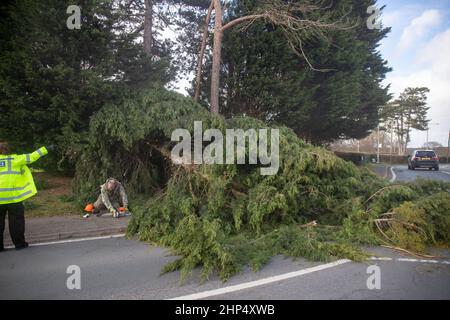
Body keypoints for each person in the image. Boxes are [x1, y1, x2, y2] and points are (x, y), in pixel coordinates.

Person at [0, 142, 49, 251]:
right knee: (16, 222)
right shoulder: (15, 159)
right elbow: (32, 156)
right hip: (14, 198)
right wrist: (46, 148)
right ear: (9, 150)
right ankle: (19, 244)